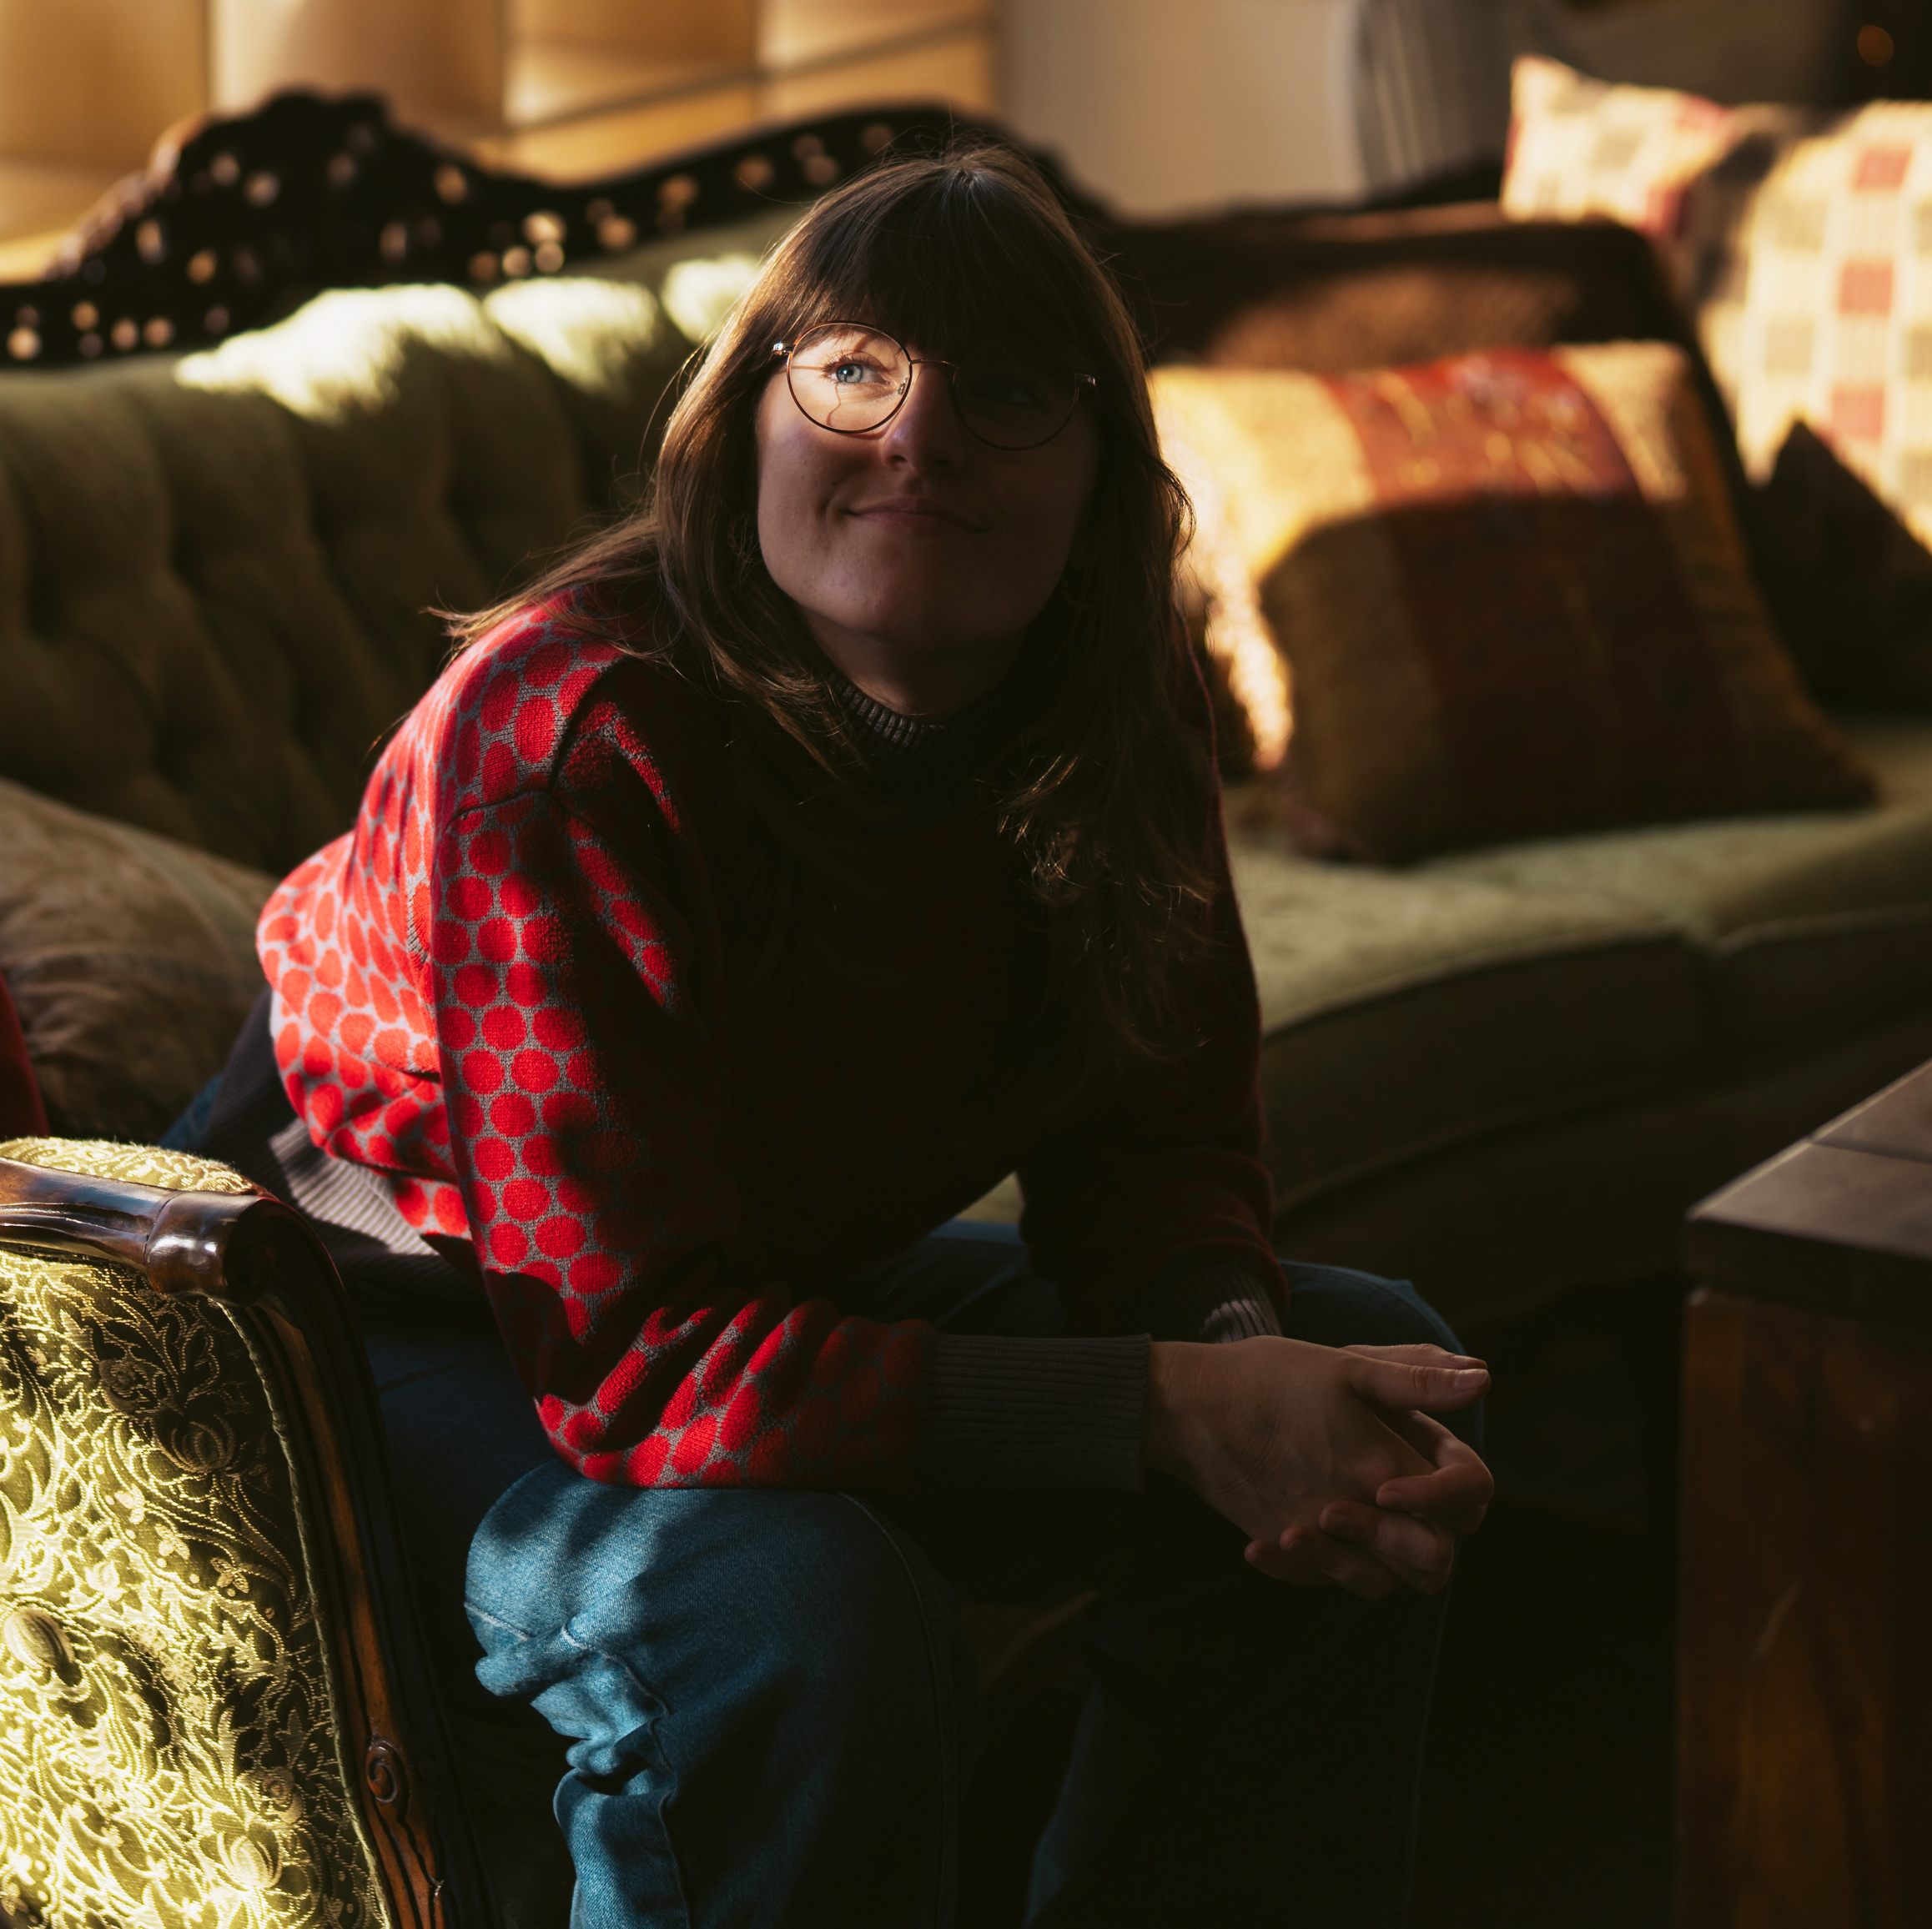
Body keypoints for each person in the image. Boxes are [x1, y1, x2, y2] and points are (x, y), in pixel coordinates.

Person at [202, 138, 1493, 1926]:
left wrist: (1239, 1361)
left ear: (1104, 469)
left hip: (739, 1281)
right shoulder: (570, 735)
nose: (922, 437)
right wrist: (1158, 1404)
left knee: (1370, 1382)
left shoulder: (1122, 710)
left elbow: (1160, 1152)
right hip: (384, 1315)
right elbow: (630, 1362)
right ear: (748, 426)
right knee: (798, 1610)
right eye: (858, 371)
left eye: (1011, 389)